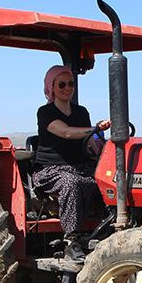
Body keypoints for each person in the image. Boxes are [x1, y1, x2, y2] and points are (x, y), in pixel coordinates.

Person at [35, 64, 111, 261]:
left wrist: (99, 144)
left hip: (80, 166)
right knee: (72, 183)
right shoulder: (45, 112)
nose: (67, 88)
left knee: (110, 179)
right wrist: (94, 129)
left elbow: (89, 140)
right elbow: (66, 132)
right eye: (62, 84)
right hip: (51, 170)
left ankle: (109, 229)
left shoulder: (81, 112)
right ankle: (71, 241)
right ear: (51, 87)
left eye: (71, 84)